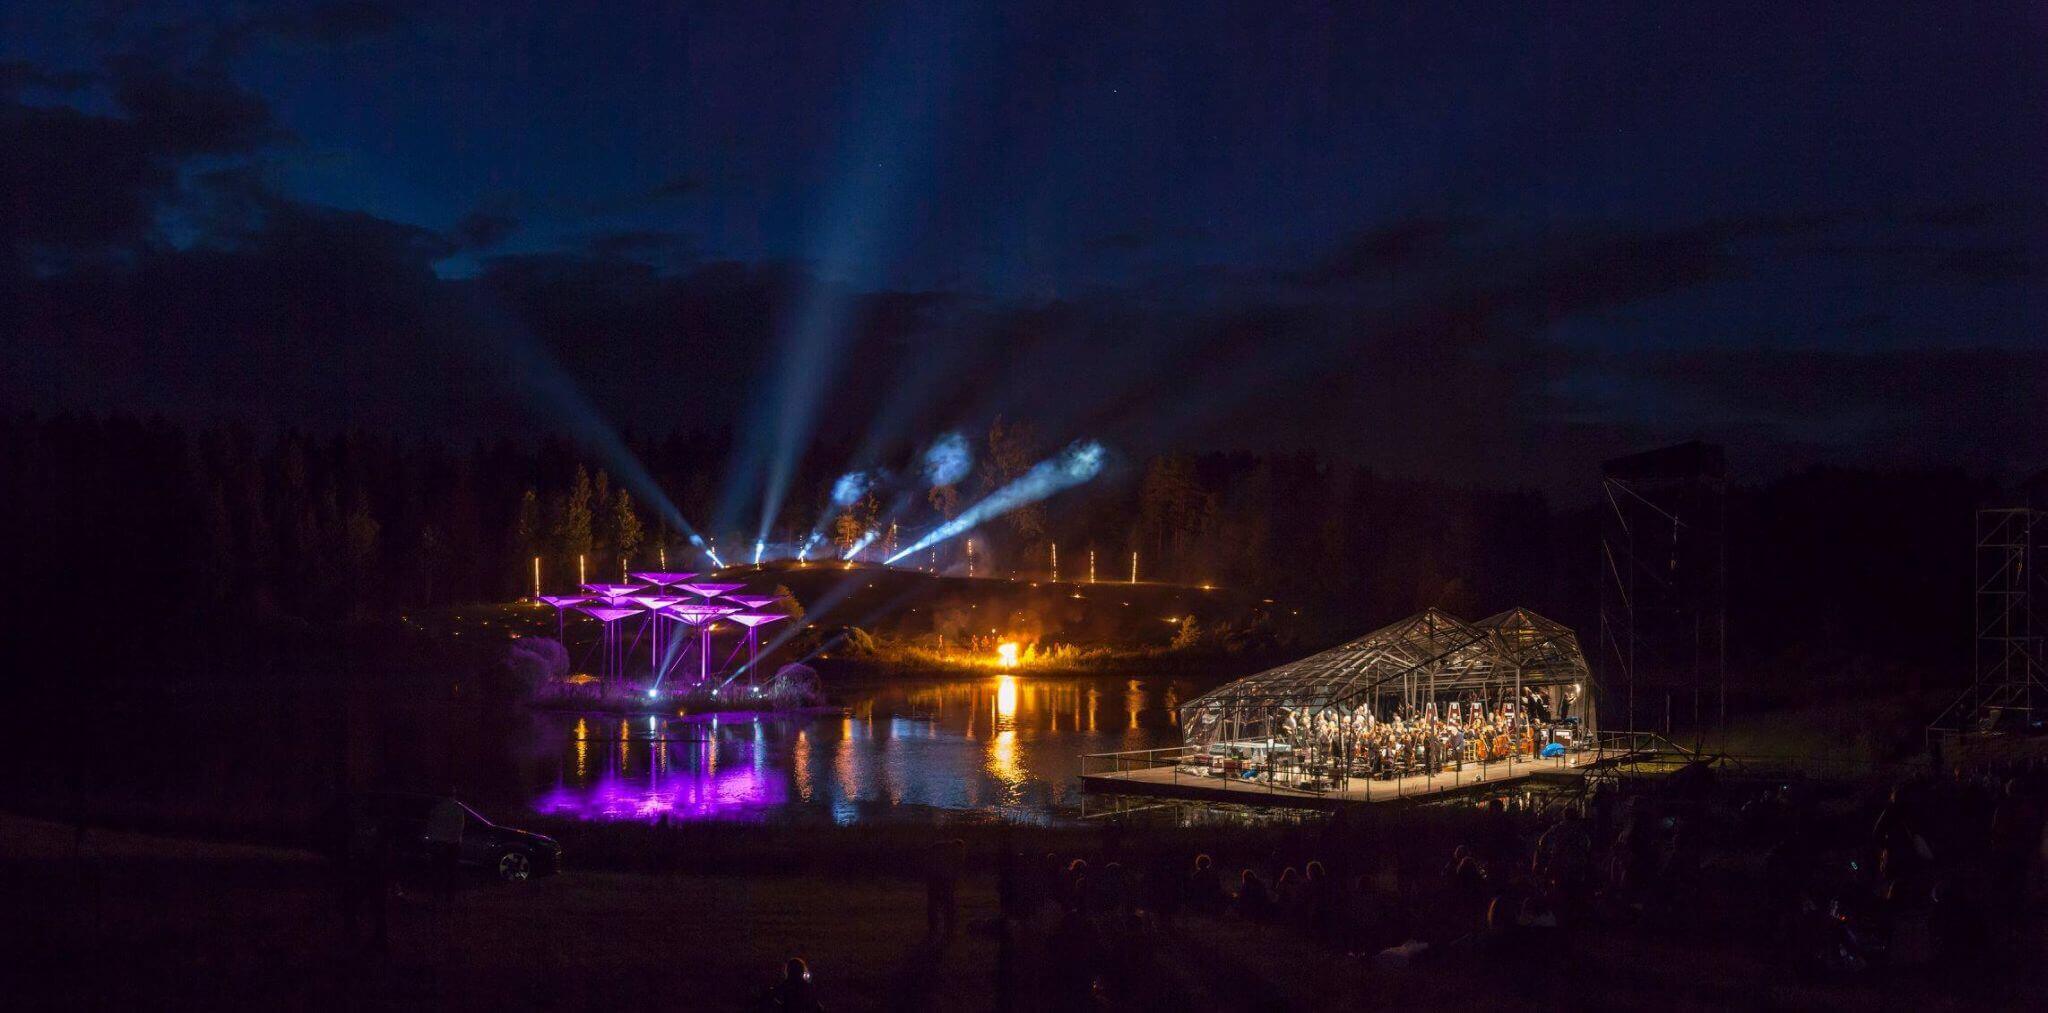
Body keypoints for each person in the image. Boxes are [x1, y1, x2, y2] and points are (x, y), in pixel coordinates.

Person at [925, 838, 966, 944]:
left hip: (934, 877)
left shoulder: (939, 847)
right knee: (948, 905)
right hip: (943, 879)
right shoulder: (954, 852)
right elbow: (956, 869)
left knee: (934, 904)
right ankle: (948, 929)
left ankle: (934, 928)